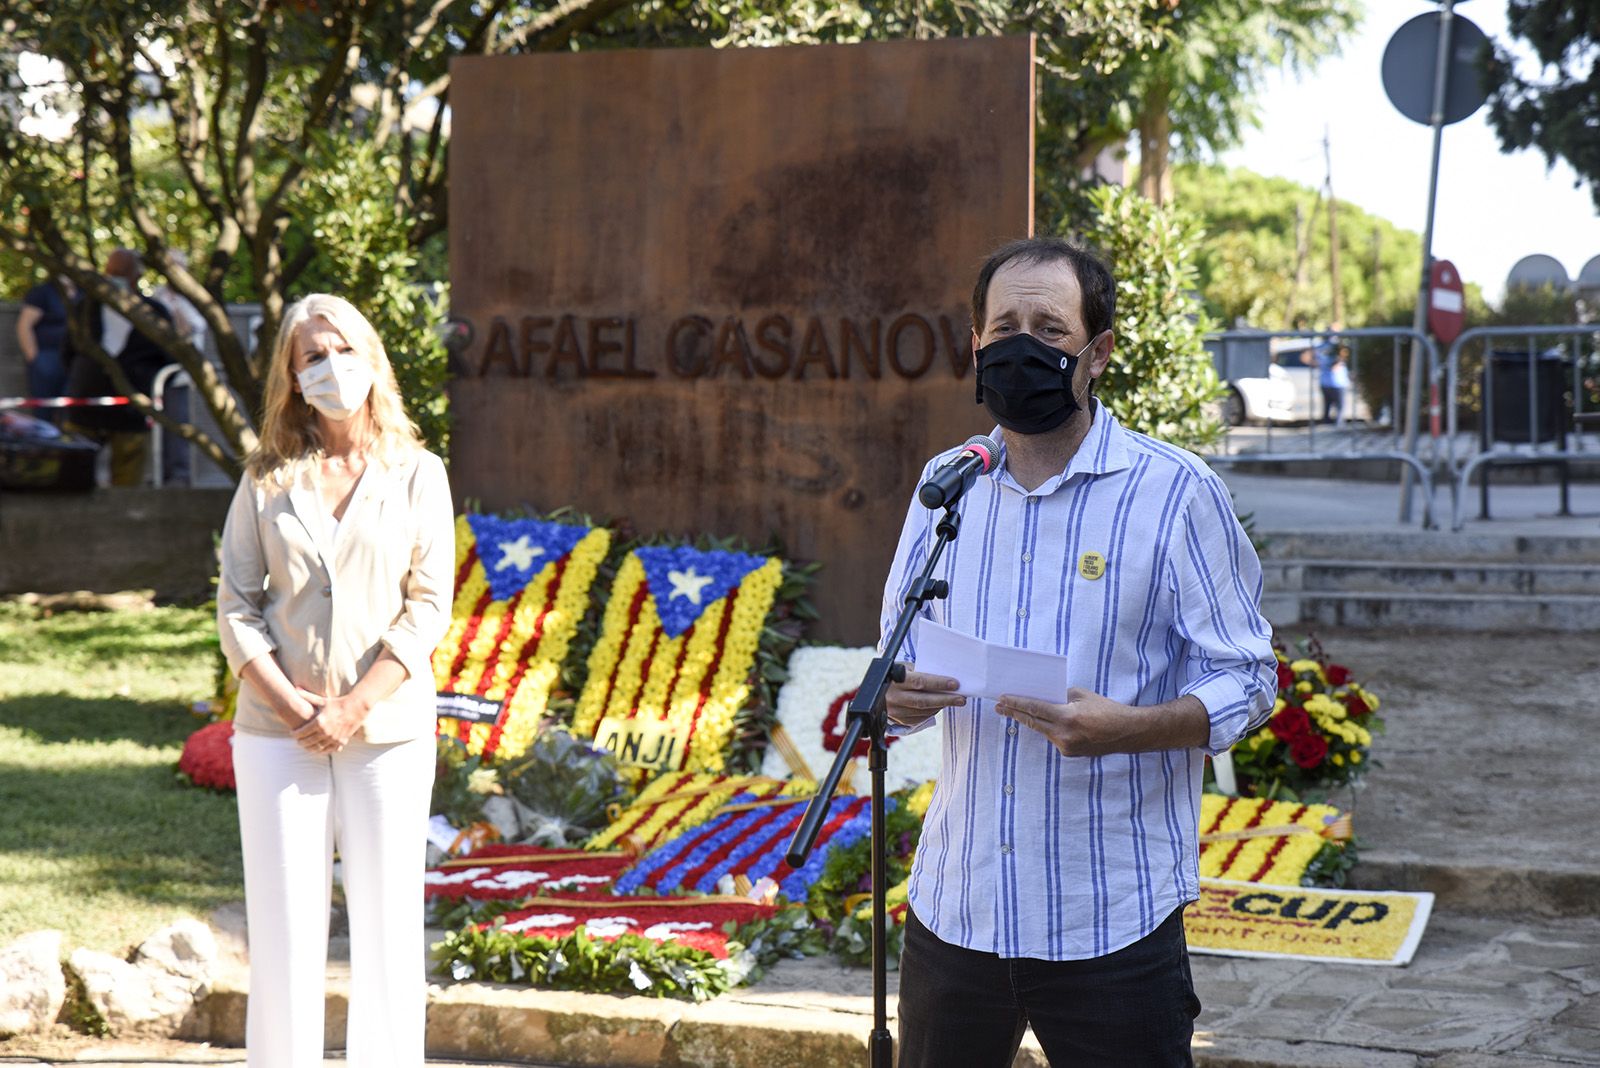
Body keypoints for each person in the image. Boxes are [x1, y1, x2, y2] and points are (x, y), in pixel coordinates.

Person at [881, 237, 1275, 1068]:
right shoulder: (946, 486)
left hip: (1110, 920)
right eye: (1005, 326)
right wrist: (893, 699)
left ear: (1098, 354)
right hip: (958, 912)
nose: (1023, 346)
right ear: (977, 343)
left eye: (1050, 330)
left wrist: (1127, 728)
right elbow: (895, 658)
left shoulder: (1176, 494)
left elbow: (1249, 679)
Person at [216, 294, 454, 1068]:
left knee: (388, 923)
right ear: (290, 375)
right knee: (283, 923)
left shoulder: (420, 474)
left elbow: (428, 608)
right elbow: (236, 604)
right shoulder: (265, 477)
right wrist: (292, 707)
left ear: (372, 357)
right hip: (276, 733)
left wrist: (352, 707)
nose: (331, 367)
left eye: (343, 349)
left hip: (386, 732)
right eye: (311, 356)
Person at [61, 249, 173, 486]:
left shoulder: (155, 312)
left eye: (122, 272)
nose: (115, 278)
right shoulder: (84, 308)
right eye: (112, 272)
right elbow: (68, 351)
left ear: (136, 275)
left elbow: (169, 360)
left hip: (132, 412)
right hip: (86, 406)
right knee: (74, 475)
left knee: (128, 482)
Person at [151, 251, 207, 485]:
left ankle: (179, 475)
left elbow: (192, 329)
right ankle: (157, 475)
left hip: (181, 375)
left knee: (179, 425)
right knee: (155, 427)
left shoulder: (193, 298)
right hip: (154, 371)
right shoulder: (156, 296)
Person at [16, 275, 75, 401]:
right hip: (47, 357)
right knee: (44, 406)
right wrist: (34, 357)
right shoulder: (43, 293)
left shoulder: (82, 292)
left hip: (73, 359)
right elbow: (24, 325)